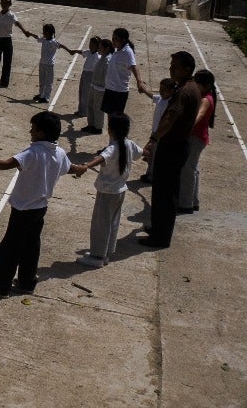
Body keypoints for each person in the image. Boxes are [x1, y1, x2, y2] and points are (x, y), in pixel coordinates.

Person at [0, 111, 72, 297]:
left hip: (23, 209)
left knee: (10, 247)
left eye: (34, 129)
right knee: (31, 244)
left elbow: (7, 164)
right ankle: (27, 281)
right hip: (40, 208)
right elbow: (70, 168)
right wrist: (81, 168)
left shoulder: (33, 152)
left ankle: (1, 285)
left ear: (42, 132)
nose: (31, 131)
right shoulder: (60, 153)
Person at [139, 52, 200, 248]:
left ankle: (160, 236)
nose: (171, 69)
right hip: (178, 145)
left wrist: (153, 139)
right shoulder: (191, 87)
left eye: (175, 66)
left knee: (164, 193)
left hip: (172, 146)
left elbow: (170, 119)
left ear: (187, 70)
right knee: (164, 190)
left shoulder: (183, 92)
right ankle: (159, 228)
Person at [71, 113, 140, 268]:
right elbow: (141, 153)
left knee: (100, 224)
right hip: (120, 191)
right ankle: (107, 253)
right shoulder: (130, 144)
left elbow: (101, 158)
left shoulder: (113, 147)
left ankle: (97, 256)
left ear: (110, 130)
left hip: (107, 192)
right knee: (112, 223)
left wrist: (86, 166)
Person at [179, 69, 216, 214]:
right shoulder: (206, 95)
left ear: (205, 86)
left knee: (188, 170)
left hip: (195, 138)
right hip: (198, 137)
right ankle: (193, 201)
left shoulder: (205, 99)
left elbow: (199, 115)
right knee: (193, 169)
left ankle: (186, 203)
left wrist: (186, 127)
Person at [102, 27, 150, 115]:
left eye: (116, 39)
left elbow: (133, 66)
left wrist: (139, 81)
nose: (113, 41)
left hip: (118, 91)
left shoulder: (127, 52)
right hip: (110, 88)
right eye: (113, 38)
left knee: (115, 119)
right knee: (110, 116)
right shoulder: (118, 50)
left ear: (123, 40)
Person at [27, 23, 78, 104]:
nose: (43, 33)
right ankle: (41, 94)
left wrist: (69, 51)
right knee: (42, 80)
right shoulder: (44, 39)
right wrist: (30, 33)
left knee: (48, 81)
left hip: (49, 65)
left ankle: (46, 97)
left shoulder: (53, 42)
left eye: (44, 32)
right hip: (42, 63)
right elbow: (37, 37)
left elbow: (61, 45)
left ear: (49, 33)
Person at [82, 40, 113, 135]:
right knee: (90, 106)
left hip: (101, 88)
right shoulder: (102, 57)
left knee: (98, 108)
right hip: (94, 85)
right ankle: (91, 124)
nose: (98, 49)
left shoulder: (108, 60)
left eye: (100, 47)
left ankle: (98, 127)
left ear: (106, 48)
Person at [74, 37, 103, 118]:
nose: (90, 46)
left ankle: (84, 112)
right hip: (85, 73)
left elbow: (98, 68)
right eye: (90, 44)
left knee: (85, 94)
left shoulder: (97, 56)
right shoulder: (90, 52)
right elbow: (82, 52)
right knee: (81, 92)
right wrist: (73, 51)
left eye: (93, 45)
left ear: (97, 46)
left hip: (90, 75)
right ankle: (81, 109)